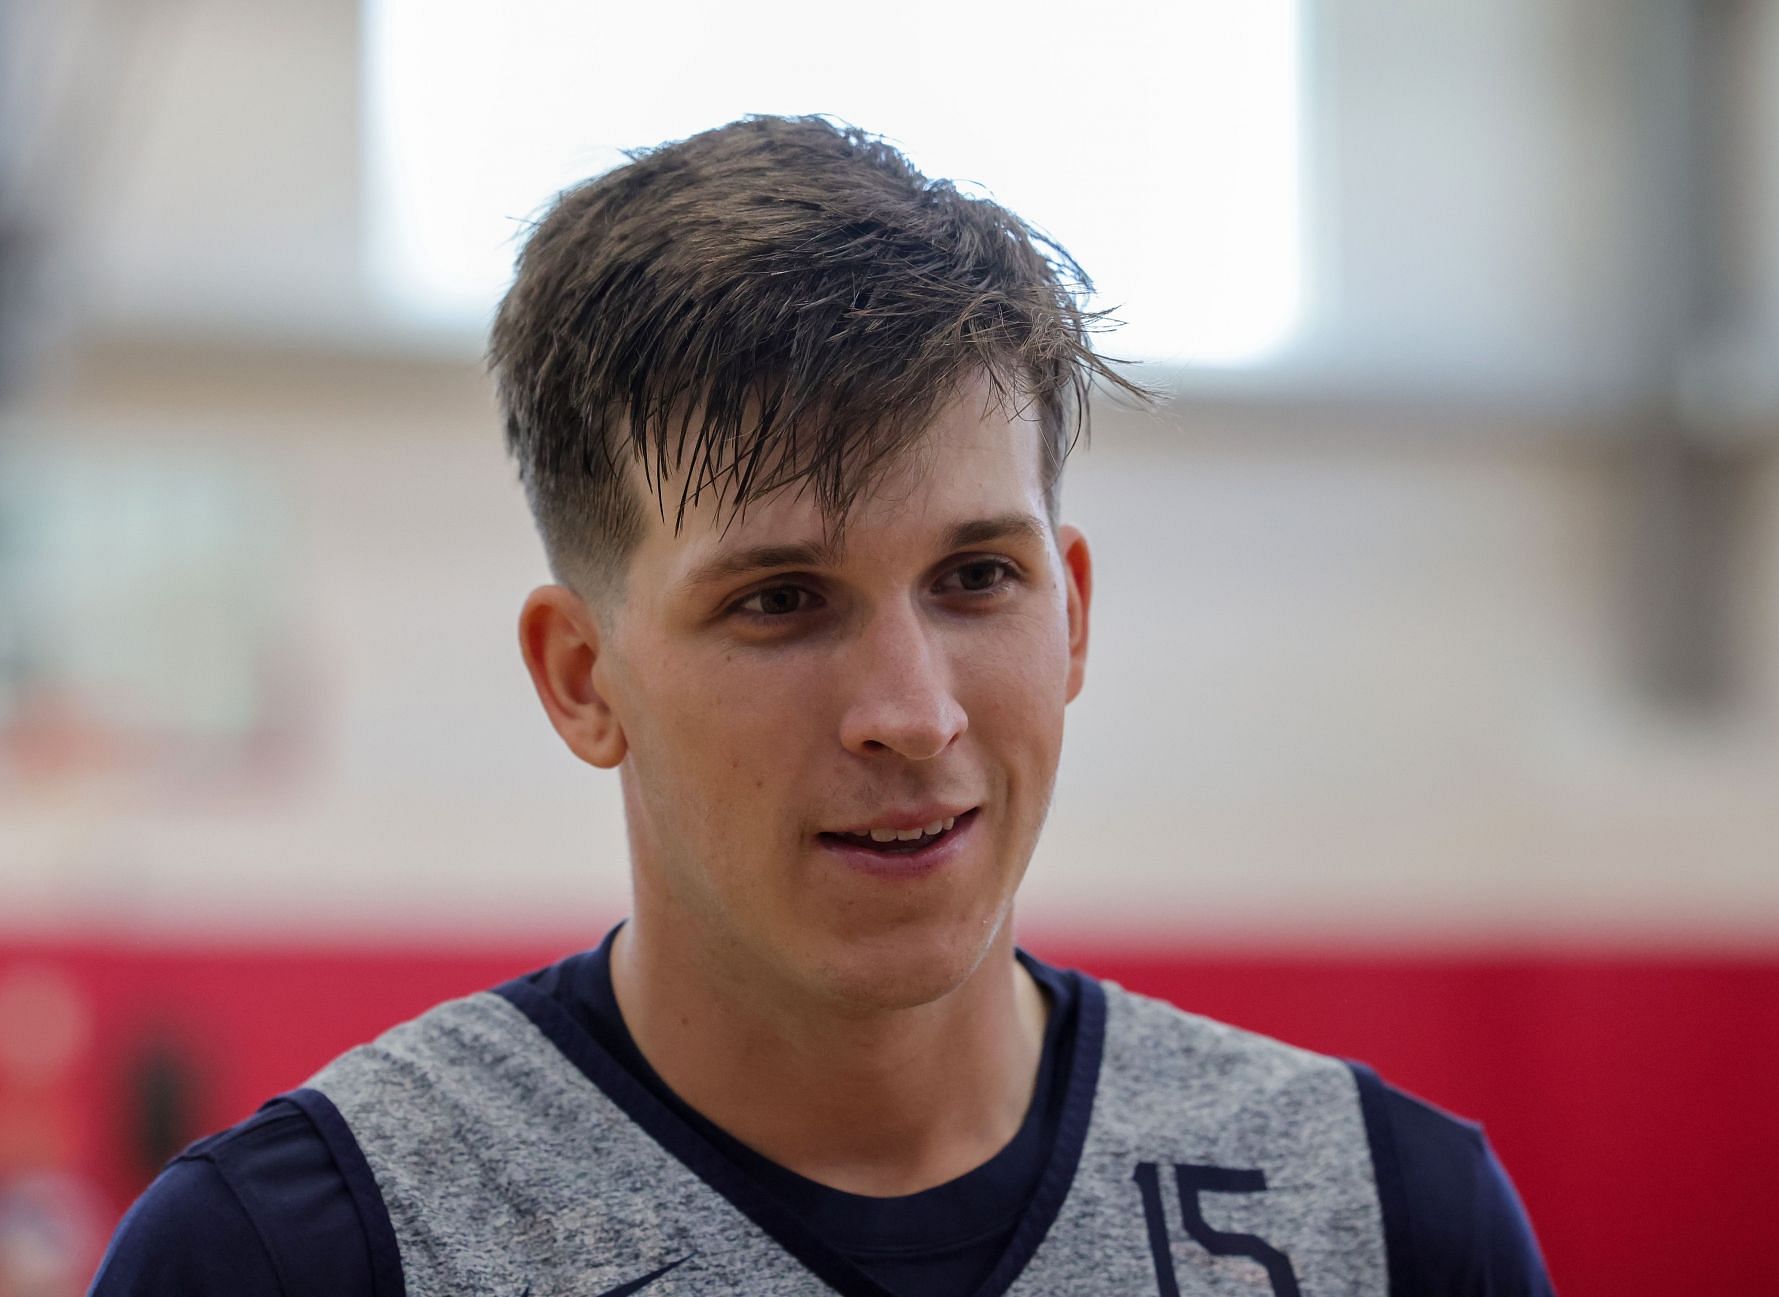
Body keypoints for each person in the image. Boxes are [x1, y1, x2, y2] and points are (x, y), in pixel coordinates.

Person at [90, 115, 1554, 1297]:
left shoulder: (1382, 1219)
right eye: (779, 600)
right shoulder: (299, 1255)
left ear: (1076, 614)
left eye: (978, 576)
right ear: (581, 677)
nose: (912, 715)